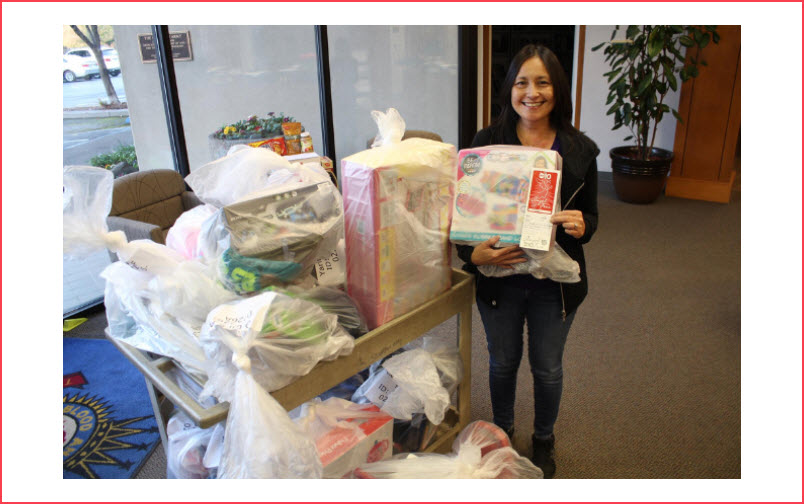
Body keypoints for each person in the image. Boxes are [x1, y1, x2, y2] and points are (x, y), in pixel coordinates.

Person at [455, 44, 599, 478]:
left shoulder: (579, 149)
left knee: (547, 367)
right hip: (499, 277)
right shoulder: (485, 143)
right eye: (522, 82)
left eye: (542, 82)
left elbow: (591, 217)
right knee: (502, 362)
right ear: (509, 89)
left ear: (557, 90)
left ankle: (543, 439)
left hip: (553, 284)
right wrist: (472, 255)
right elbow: (463, 213)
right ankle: (503, 433)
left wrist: (582, 225)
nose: (531, 93)